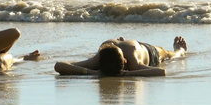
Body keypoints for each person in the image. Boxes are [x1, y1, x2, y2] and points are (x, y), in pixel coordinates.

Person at [54, 36, 187, 77]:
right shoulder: (98, 58)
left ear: (125, 62)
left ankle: (180, 49)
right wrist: (91, 72)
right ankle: (122, 40)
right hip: (117, 45)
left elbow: (161, 71)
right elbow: (58, 65)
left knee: (170, 55)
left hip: (147, 51)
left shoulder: (133, 63)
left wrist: (125, 74)